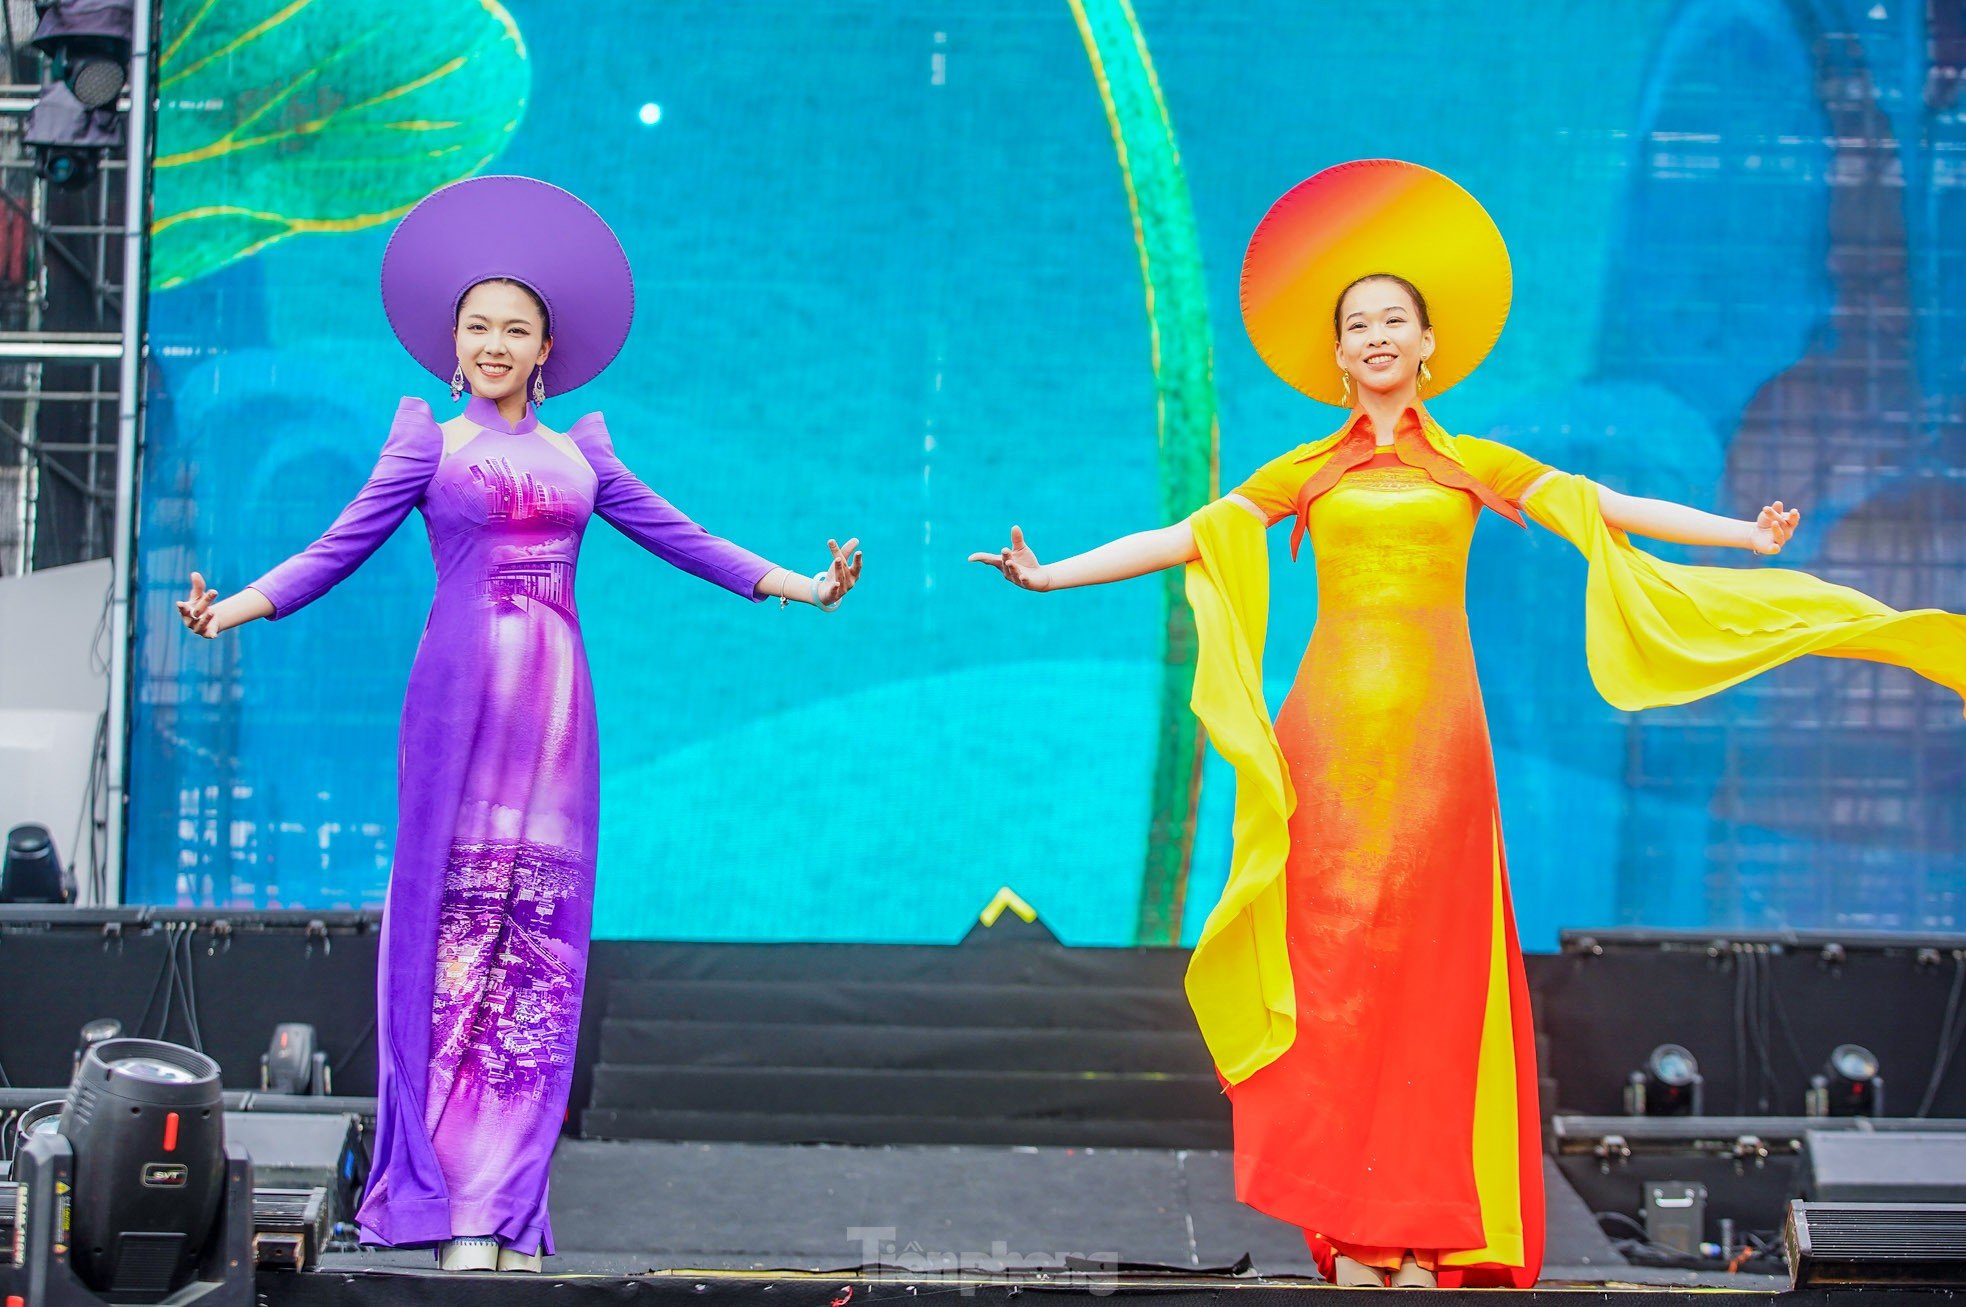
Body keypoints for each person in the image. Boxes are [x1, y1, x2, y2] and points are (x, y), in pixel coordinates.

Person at [971, 159, 1965, 1288]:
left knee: (1430, 988)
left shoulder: (1471, 464)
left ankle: (1423, 1224)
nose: (1377, 337)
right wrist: (1050, 576)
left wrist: (1742, 535)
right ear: (1337, 354)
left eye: (1394, 320)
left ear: (1427, 344)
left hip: (1441, 755)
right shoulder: (1306, 469)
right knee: (1335, 982)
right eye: (1358, 324)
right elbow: (1186, 538)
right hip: (1330, 752)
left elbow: (1607, 511)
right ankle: (1351, 1229)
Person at [175, 176, 864, 1273]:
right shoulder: (424, 445)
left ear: (546, 348)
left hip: (555, 719)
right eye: (477, 327)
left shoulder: (582, 452)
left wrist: (801, 586)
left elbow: (685, 537)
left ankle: (503, 1203)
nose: (493, 344)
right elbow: (334, 546)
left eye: (514, 329)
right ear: (452, 344)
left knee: (534, 960)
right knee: (454, 948)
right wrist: (235, 606)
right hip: (460, 709)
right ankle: (448, 1204)